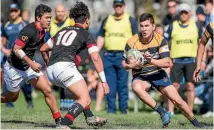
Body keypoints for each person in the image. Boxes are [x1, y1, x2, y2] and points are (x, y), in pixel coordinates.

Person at [122, 13, 200, 127]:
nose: (144, 29)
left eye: (147, 26)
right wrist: (130, 66)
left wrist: (151, 61)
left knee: (178, 101)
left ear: (153, 26)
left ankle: (196, 124)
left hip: (158, 73)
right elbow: (123, 63)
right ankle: (163, 112)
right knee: (136, 86)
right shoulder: (131, 41)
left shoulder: (160, 39)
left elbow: (167, 62)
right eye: (142, 26)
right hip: (141, 76)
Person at [40, 1, 109, 128]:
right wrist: (104, 81)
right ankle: (64, 123)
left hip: (51, 71)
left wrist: (48, 63)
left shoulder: (62, 30)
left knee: (80, 94)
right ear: (87, 19)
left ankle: (91, 117)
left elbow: (43, 48)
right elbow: (95, 58)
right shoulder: (85, 33)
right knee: (85, 99)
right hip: (65, 67)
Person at [1, 4, 62, 127]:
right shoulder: (29, 30)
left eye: (50, 17)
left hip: (28, 68)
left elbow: (42, 47)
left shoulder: (43, 31)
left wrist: (48, 63)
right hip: (14, 69)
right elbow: (16, 49)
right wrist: (31, 63)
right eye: (47, 17)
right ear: (39, 18)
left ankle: (59, 121)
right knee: (11, 98)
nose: (50, 20)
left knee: (47, 90)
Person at [96, 0, 138, 114]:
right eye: (116, 5)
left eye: (120, 5)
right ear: (113, 6)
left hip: (123, 57)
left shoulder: (130, 20)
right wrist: (95, 52)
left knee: (122, 85)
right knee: (109, 84)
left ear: (124, 6)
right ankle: (111, 110)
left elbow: (136, 39)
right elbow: (101, 37)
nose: (118, 7)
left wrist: (133, 55)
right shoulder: (107, 20)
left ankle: (123, 110)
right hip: (108, 56)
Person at [164, 3, 203, 114]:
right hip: (176, 61)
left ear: (190, 13)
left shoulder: (196, 25)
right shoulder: (172, 26)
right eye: (182, 12)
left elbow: (202, 43)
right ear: (179, 13)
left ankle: (189, 111)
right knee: (174, 86)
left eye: (186, 12)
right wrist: (167, 57)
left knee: (190, 86)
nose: (184, 14)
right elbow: (164, 42)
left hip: (191, 60)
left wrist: (202, 60)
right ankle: (170, 111)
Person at [1, 3, 33, 108]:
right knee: (7, 79)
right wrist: (4, 50)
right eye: (11, 11)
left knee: (24, 82)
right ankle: (8, 104)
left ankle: (29, 100)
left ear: (19, 11)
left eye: (15, 10)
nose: (13, 13)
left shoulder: (24, 25)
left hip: (21, 58)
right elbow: (2, 40)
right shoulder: (6, 25)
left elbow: (30, 41)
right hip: (9, 58)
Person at [44, 3, 75, 110]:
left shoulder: (71, 22)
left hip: (68, 55)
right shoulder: (51, 24)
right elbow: (47, 40)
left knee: (69, 78)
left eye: (62, 11)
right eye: (58, 11)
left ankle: (71, 102)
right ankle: (63, 103)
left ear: (65, 12)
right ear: (55, 12)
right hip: (55, 56)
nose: (60, 13)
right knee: (60, 79)